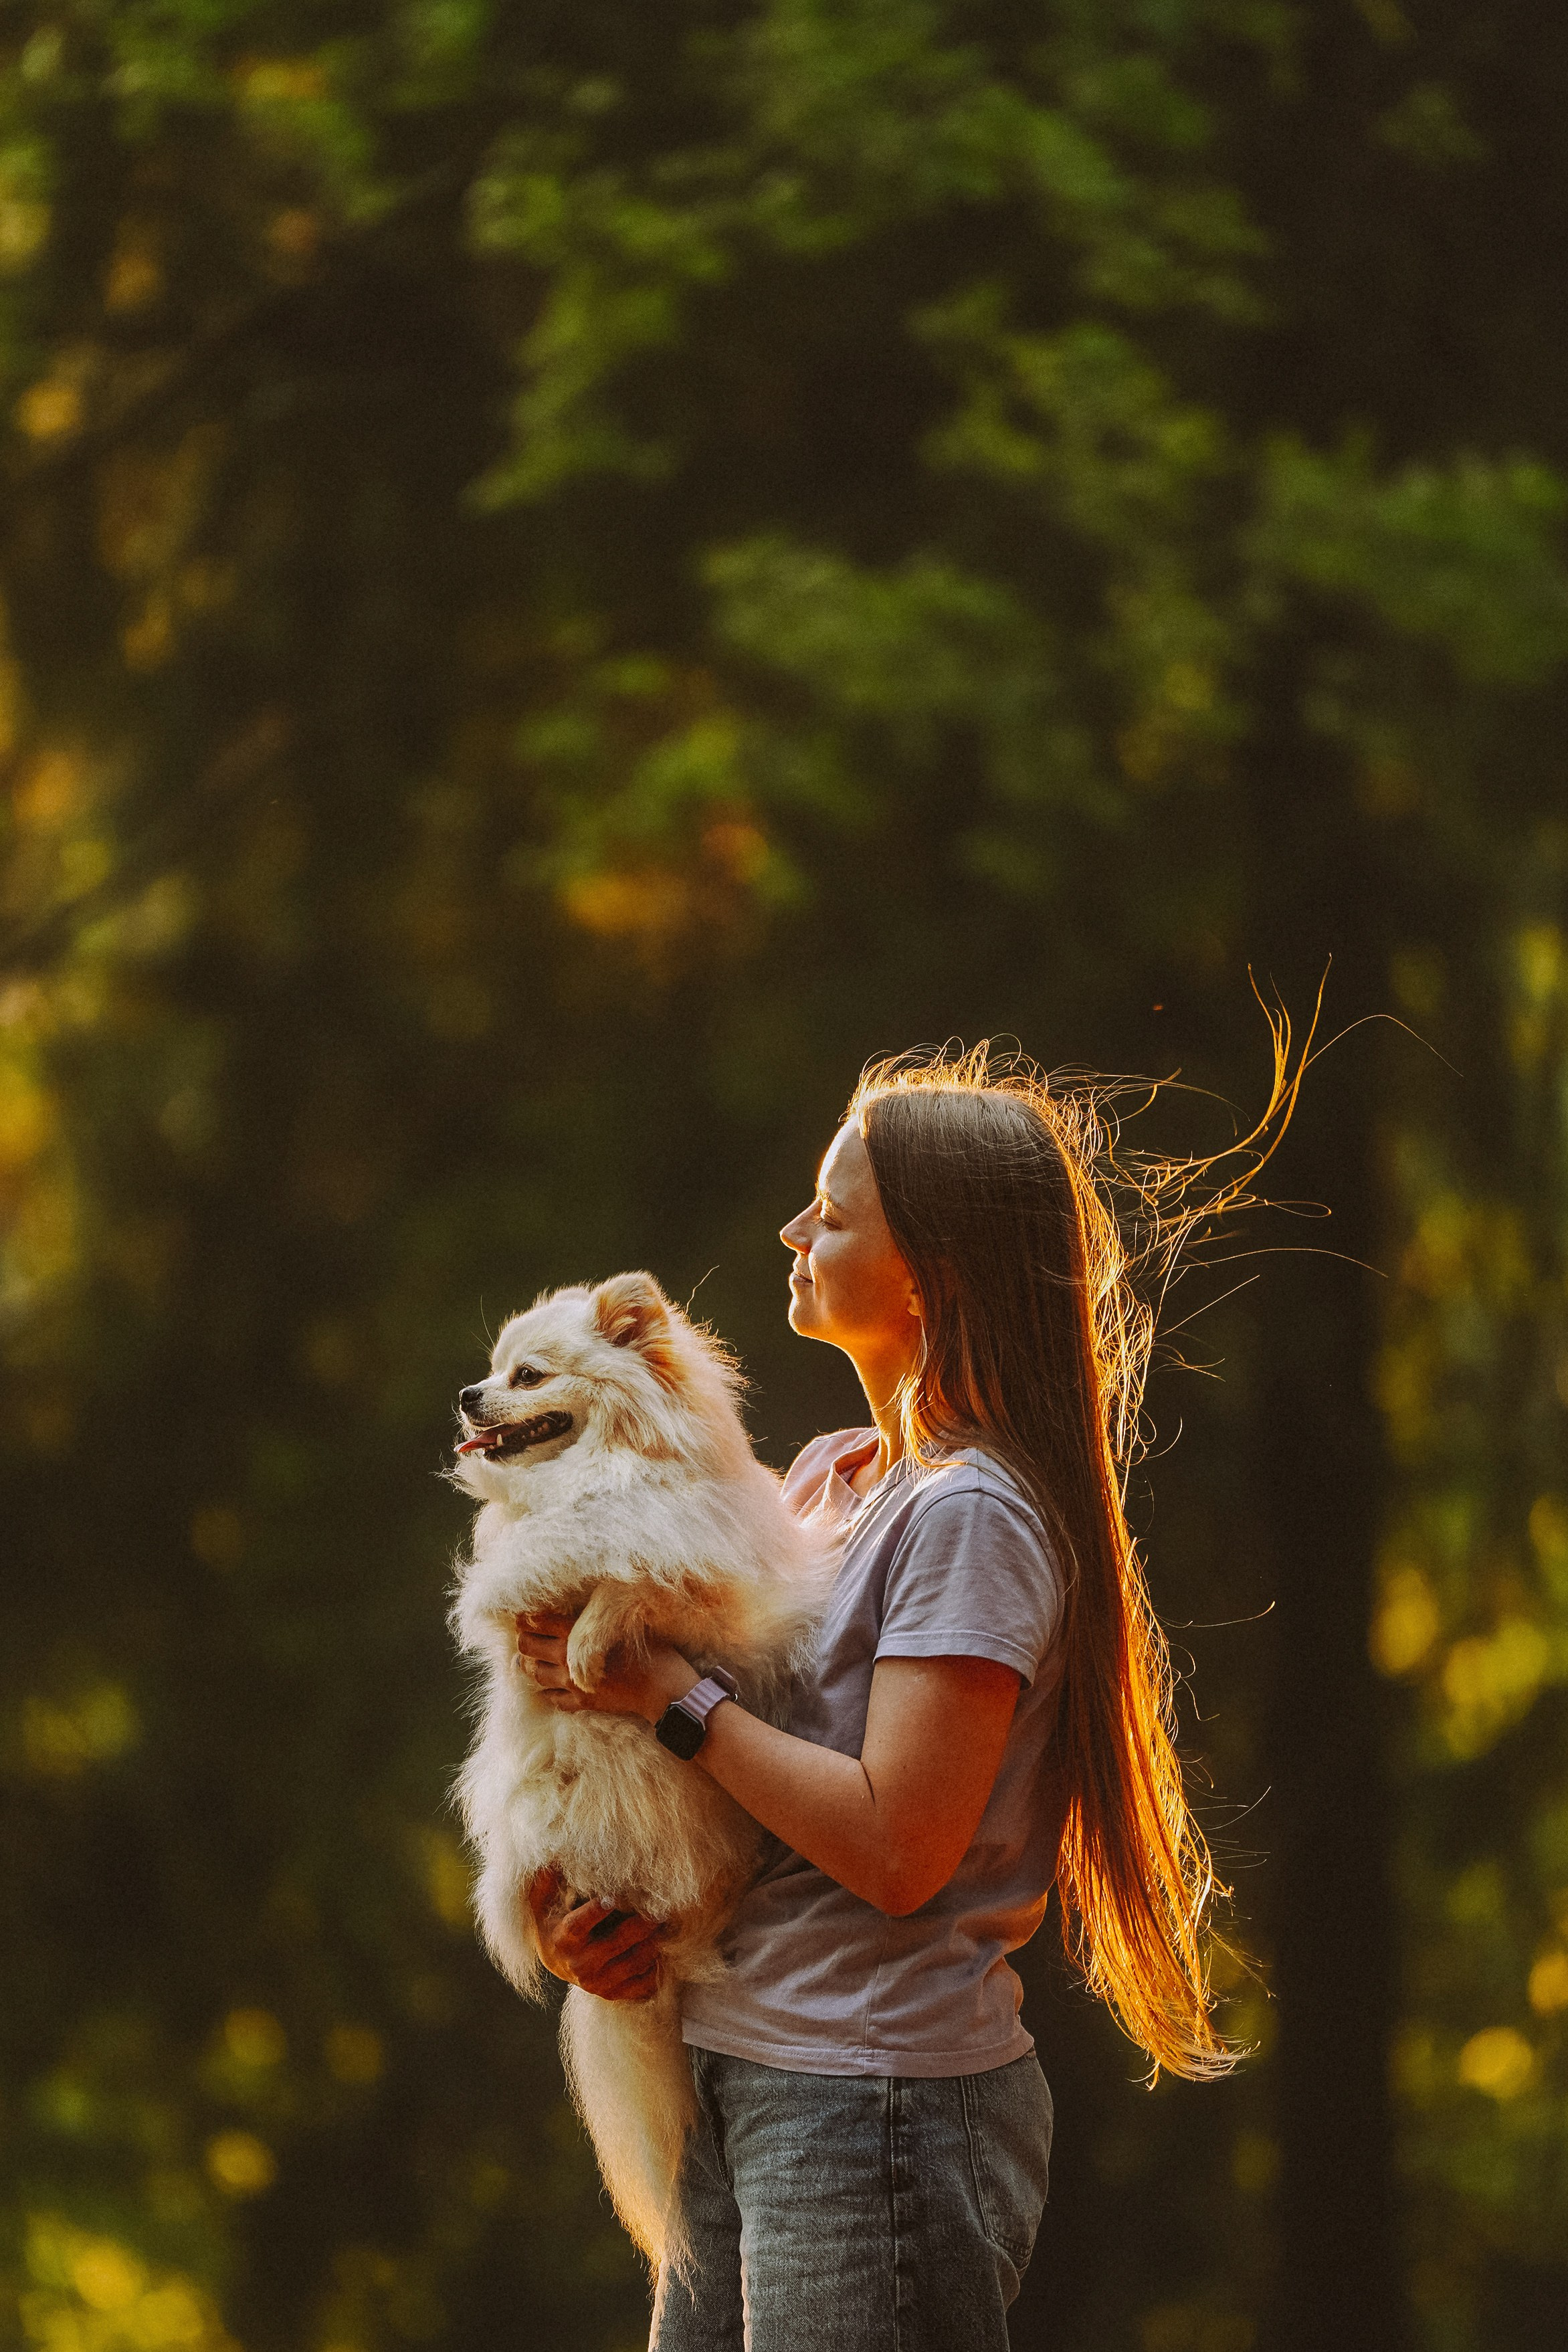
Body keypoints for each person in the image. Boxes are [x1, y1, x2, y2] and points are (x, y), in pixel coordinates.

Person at [515, 1046, 1243, 2351]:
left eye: (833, 1214)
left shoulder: (972, 1513)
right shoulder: (828, 1483)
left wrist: (667, 1695)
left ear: (934, 1271)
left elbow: (897, 1848)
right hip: (735, 2069)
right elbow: (725, 1802)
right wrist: (599, 1933)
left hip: (870, 2109)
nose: (794, 1231)